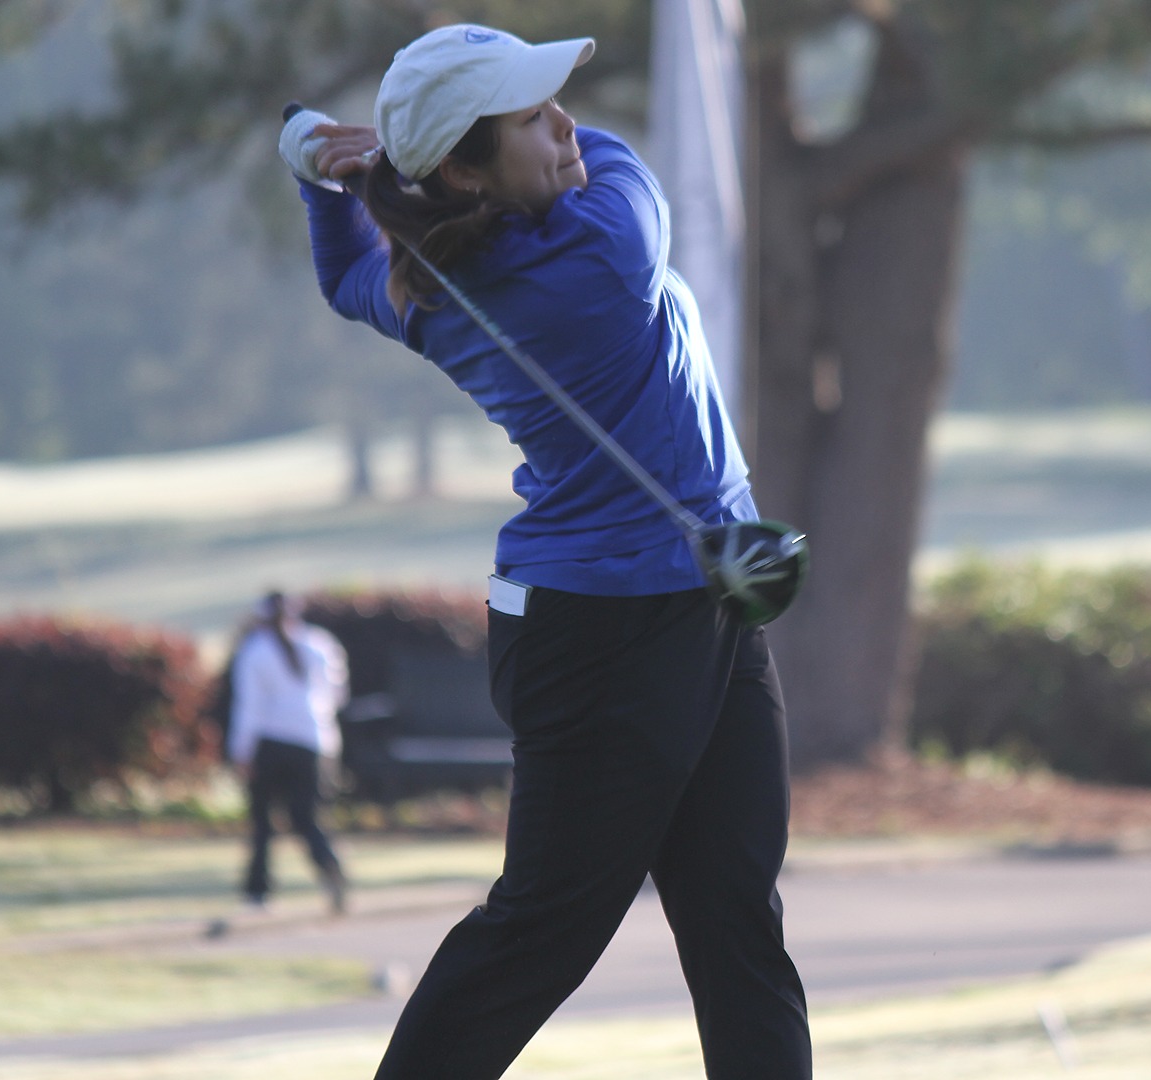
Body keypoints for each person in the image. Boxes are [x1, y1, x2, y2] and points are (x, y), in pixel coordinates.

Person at [283, 23, 811, 1079]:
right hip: (604, 637)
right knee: (546, 928)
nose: (566, 124)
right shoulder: (603, 250)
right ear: (466, 172)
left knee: (735, 910)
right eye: (531, 116)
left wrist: (317, 166)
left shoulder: (430, 283)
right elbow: (622, 163)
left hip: (687, 604)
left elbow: (347, 279)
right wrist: (376, 165)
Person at [228, 590, 350, 914]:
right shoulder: (321, 645)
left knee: (262, 821)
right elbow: (336, 698)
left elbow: (249, 707)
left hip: (270, 742)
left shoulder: (255, 650)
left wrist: (241, 750)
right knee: (307, 817)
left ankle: (258, 891)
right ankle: (329, 866)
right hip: (312, 742)